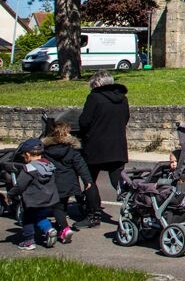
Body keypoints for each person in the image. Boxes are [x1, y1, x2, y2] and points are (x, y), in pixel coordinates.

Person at [78, 70, 130, 227]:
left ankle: (93, 215)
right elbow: (126, 118)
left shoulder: (94, 98)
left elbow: (85, 122)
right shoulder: (122, 99)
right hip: (117, 146)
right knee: (118, 182)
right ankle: (132, 206)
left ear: (96, 84)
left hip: (96, 147)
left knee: (89, 181)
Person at [41, 121, 92, 242]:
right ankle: (61, 228)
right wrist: (87, 180)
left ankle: (64, 229)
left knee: (56, 208)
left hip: (53, 182)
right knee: (62, 205)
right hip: (69, 182)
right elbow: (81, 165)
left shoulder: (46, 149)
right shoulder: (72, 150)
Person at [7, 137, 59, 250]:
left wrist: (10, 194)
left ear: (27, 154)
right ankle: (49, 229)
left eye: (23, 156)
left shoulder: (28, 169)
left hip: (33, 200)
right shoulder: (49, 165)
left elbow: (20, 185)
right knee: (40, 216)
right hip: (50, 199)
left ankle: (29, 241)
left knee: (28, 219)